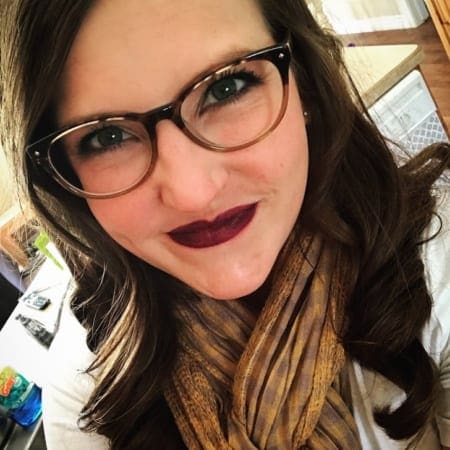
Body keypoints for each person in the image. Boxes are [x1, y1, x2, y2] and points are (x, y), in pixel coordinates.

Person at [0, 0, 449, 448]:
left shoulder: (435, 258)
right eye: (107, 136)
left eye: (226, 88)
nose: (192, 193)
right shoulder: (90, 395)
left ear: (304, 82)